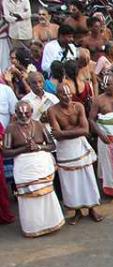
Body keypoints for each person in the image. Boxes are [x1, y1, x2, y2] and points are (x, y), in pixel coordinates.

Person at [3, 100, 63, 237]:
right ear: (16, 113)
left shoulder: (39, 125)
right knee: (28, 198)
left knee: (46, 195)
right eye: (20, 113)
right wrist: (23, 149)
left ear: (31, 112)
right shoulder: (10, 129)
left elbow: (52, 145)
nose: (24, 116)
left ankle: (51, 223)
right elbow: (5, 152)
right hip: (23, 168)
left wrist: (39, 147)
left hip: (40, 165)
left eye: (27, 112)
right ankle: (33, 228)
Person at [46, 82, 100, 223]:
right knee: (70, 182)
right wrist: (73, 131)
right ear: (58, 95)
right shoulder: (52, 110)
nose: (67, 96)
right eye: (63, 94)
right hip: (65, 151)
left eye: (69, 93)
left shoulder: (79, 106)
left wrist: (64, 132)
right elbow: (57, 135)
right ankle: (77, 211)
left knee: (87, 178)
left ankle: (92, 209)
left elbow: (85, 130)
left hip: (80, 148)